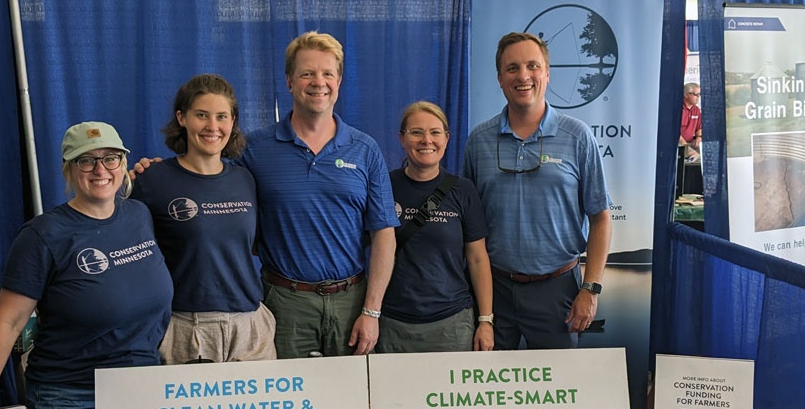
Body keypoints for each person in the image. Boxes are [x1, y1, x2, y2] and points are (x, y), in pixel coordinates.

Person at [0, 121, 173, 409]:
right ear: (69, 169)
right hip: (71, 401)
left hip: (140, 392)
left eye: (110, 159)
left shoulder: (139, 216)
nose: (100, 170)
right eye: (86, 161)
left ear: (123, 163)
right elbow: (8, 322)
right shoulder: (43, 236)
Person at [239, 31, 399, 358]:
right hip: (284, 303)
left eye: (328, 73)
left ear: (339, 81)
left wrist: (371, 312)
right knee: (289, 405)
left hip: (352, 302)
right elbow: (212, 185)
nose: (318, 82)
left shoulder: (365, 149)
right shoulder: (255, 149)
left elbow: (384, 234)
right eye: (307, 73)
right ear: (289, 81)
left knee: (351, 403)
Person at [462, 31, 612, 350]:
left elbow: (601, 217)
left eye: (533, 66)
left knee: (556, 393)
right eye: (512, 68)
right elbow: (468, 224)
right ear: (500, 78)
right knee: (490, 394)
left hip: (558, 291)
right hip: (493, 292)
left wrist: (591, 288)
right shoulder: (479, 141)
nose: (523, 76)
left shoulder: (578, 136)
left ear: (547, 73)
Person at [131, 75, 276, 363]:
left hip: (249, 327)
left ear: (233, 122)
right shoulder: (153, 180)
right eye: (201, 115)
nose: (212, 127)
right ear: (181, 118)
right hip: (185, 327)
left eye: (222, 116)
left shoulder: (245, 179)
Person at [377, 101, 494, 353]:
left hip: (452, 324)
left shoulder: (463, 191)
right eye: (416, 132)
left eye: (435, 132)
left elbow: (477, 259)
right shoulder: (384, 187)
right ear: (402, 138)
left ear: (447, 138)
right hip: (393, 322)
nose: (426, 140)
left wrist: (485, 320)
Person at [677, 82, 702, 197]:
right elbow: (673, 129)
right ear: (686, 95)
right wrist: (684, 144)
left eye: (699, 95)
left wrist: (698, 137)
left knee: (701, 158)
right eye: (696, 94)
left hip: (691, 144)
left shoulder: (696, 110)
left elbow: (699, 127)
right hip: (679, 145)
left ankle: (697, 191)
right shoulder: (677, 108)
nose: (698, 97)